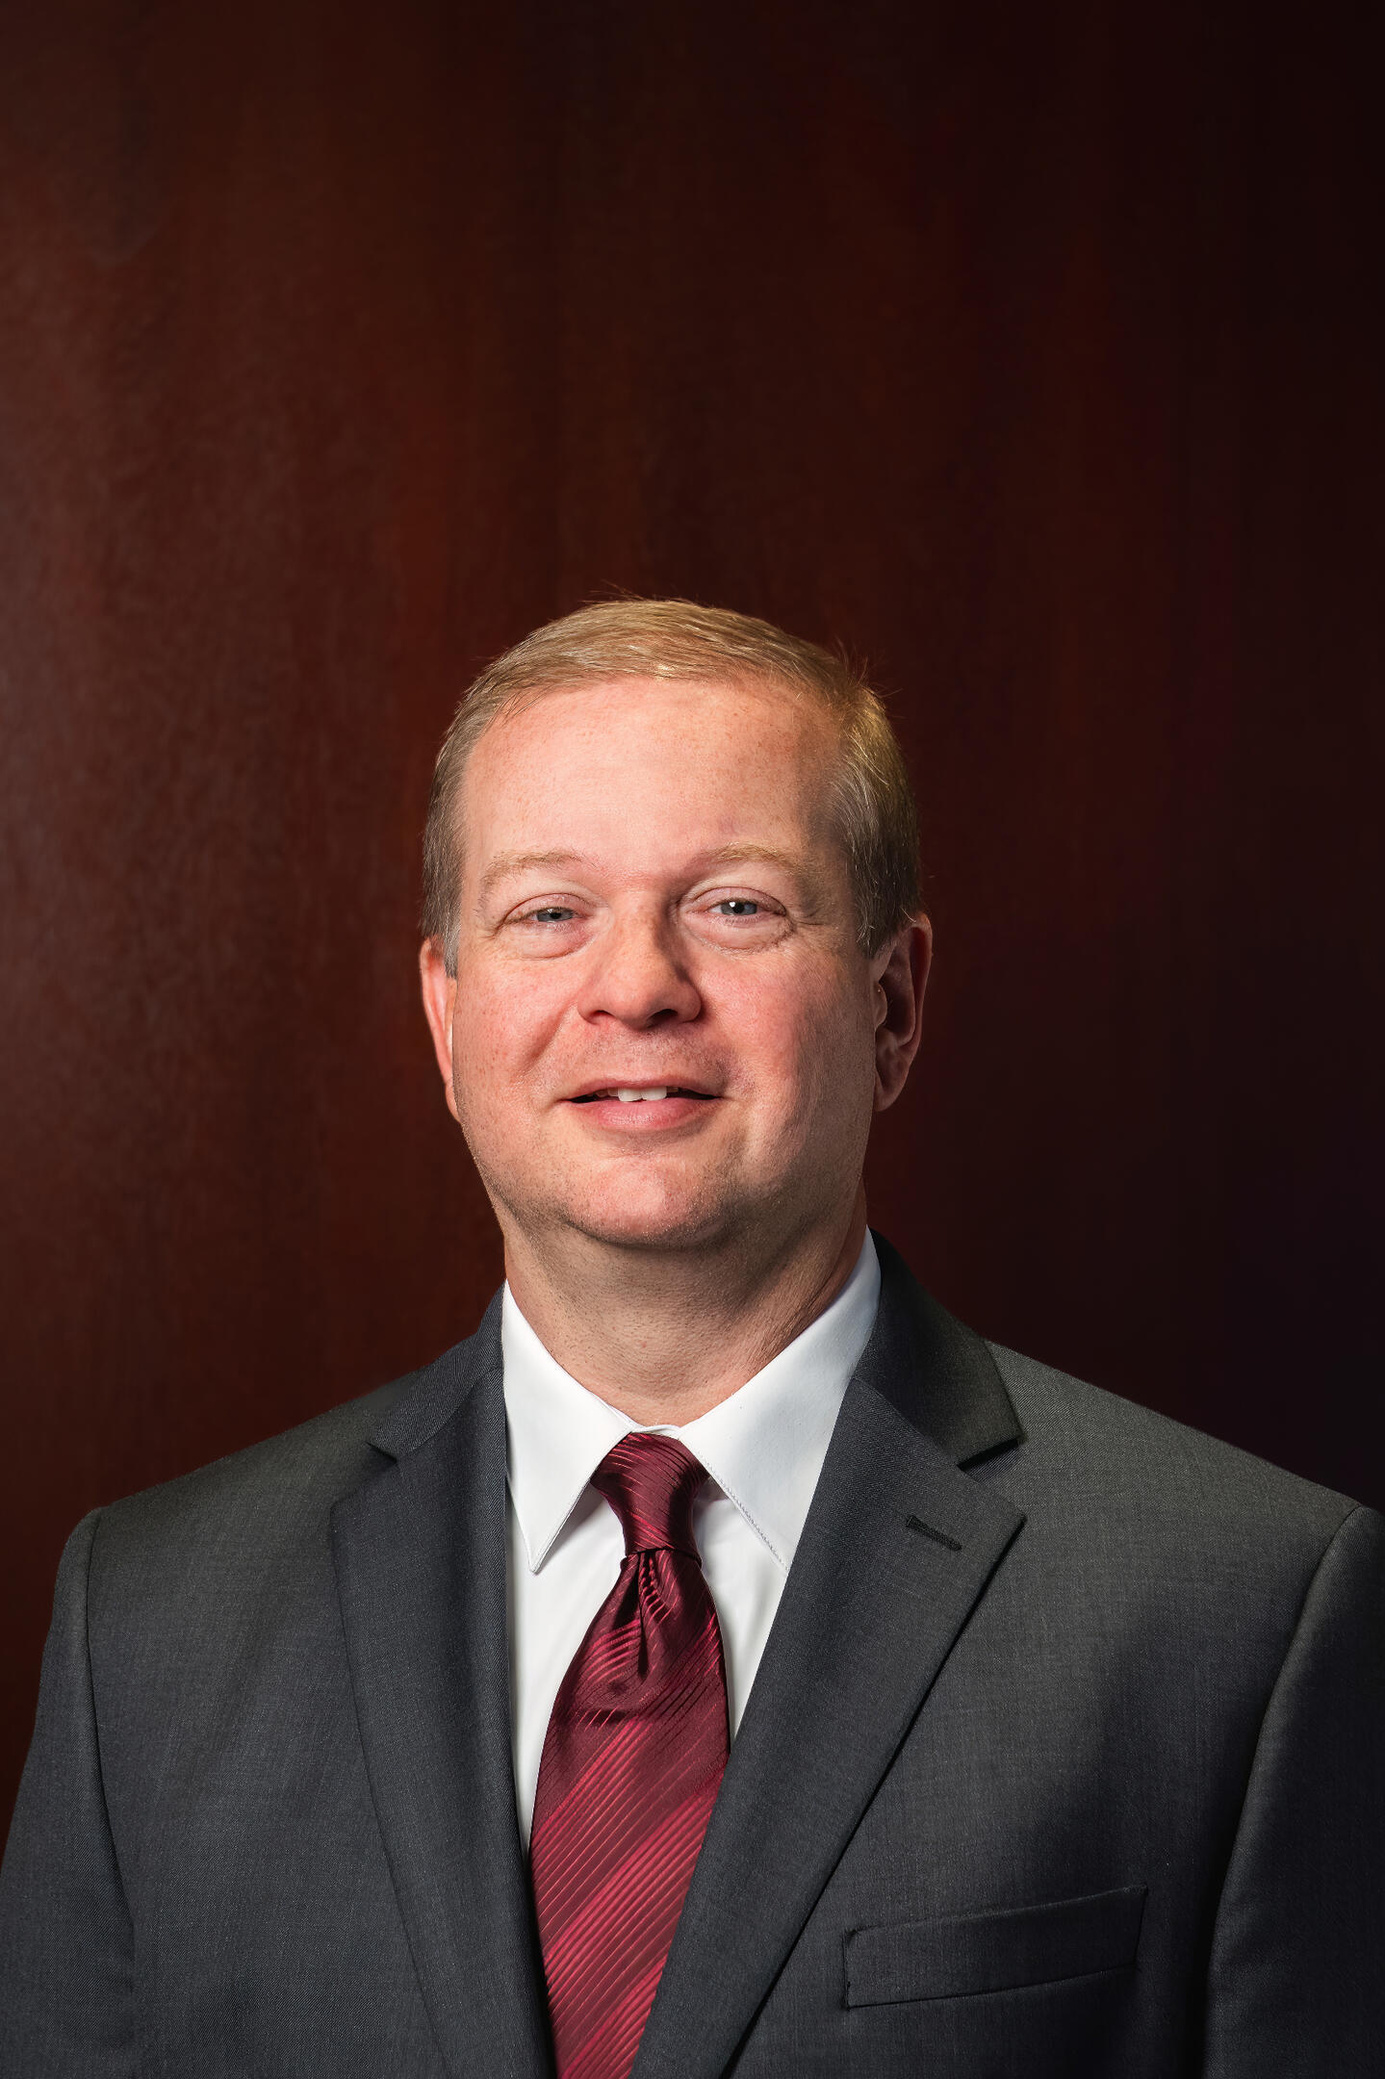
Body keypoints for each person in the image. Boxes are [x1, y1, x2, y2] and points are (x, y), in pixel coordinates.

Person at [1, 600, 1380, 2079]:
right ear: (444, 1017)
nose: (637, 986)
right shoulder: (147, 1627)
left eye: (735, 905)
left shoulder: (1246, 1610)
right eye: (547, 913)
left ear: (893, 1006)